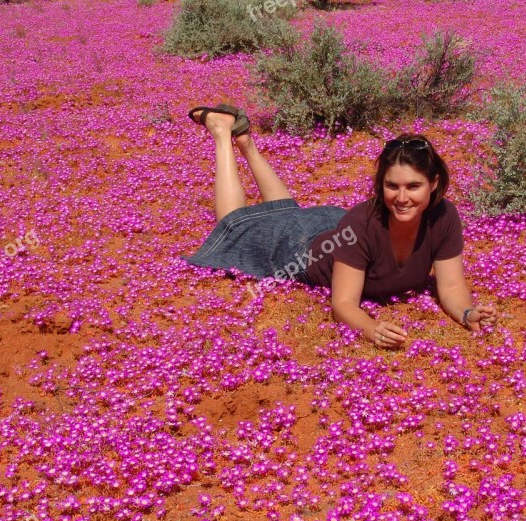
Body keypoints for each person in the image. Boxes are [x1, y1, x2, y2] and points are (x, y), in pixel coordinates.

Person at [183, 104, 498, 348]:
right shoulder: (362, 224)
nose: (401, 198)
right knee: (236, 224)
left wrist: (467, 313)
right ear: (380, 185)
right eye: (392, 186)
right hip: (297, 247)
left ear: (434, 183)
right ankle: (222, 133)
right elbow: (343, 305)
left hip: (333, 226)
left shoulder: (444, 217)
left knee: (288, 213)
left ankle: (247, 144)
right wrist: (371, 328)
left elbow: (452, 287)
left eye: (413, 186)